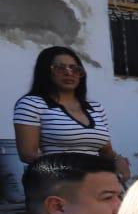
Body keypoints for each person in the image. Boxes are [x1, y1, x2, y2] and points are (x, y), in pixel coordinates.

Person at [13, 46, 128, 178]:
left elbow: (106, 151)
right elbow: (28, 154)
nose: (69, 73)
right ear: (45, 71)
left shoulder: (95, 107)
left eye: (75, 68)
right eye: (60, 68)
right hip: (58, 181)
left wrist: (119, 160)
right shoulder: (32, 104)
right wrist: (74, 173)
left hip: (96, 179)